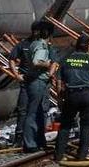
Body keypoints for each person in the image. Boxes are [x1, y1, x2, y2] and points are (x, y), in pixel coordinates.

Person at [53, 34, 89, 162]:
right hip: (87, 95)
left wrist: (59, 99)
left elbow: (58, 82)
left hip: (70, 95)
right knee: (86, 126)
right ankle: (81, 156)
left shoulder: (66, 60)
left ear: (76, 46)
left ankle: (58, 156)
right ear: (87, 47)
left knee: (65, 126)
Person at [19, 20, 57, 153]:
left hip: (35, 81)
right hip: (38, 81)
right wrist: (48, 64)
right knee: (33, 112)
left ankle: (39, 140)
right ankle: (30, 143)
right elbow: (36, 62)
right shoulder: (41, 46)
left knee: (40, 112)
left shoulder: (34, 44)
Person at [8, 26, 38, 147]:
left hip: (39, 83)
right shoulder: (23, 44)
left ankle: (34, 136)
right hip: (26, 82)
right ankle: (19, 137)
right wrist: (16, 74)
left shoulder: (44, 45)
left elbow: (53, 62)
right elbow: (12, 59)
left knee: (38, 110)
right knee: (22, 109)